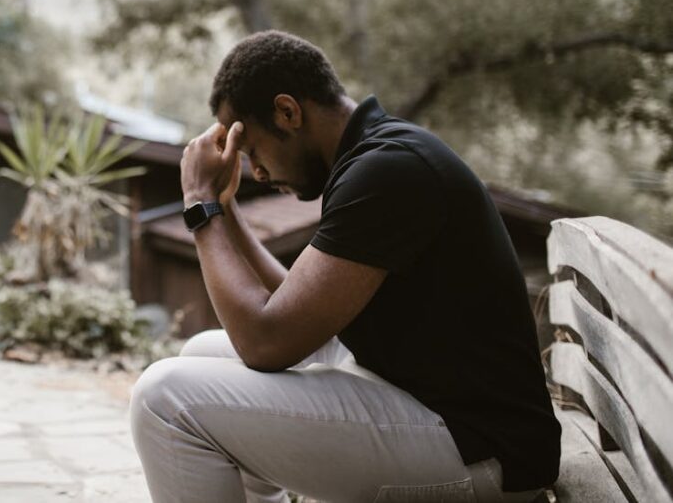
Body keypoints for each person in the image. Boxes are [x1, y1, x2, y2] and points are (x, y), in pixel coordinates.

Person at [130, 31, 559, 502]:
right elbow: (290, 307)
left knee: (164, 398)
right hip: (432, 407)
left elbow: (266, 342)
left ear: (288, 112)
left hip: (482, 451)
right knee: (201, 353)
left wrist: (198, 204)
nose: (257, 172)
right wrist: (224, 208)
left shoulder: (388, 169)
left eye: (251, 150)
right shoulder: (373, 156)